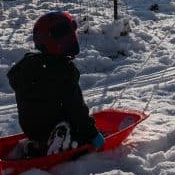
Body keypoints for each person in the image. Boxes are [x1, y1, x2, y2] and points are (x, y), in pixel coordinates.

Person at [7, 11, 104, 158]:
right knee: (80, 134)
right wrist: (93, 134)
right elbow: (76, 109)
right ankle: (62, 140)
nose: (72, 40)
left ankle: (37, 145)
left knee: (45, 121)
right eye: (68, 38)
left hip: (33, 130)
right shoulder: (63, 71)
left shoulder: (28, 65)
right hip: (56, 126)